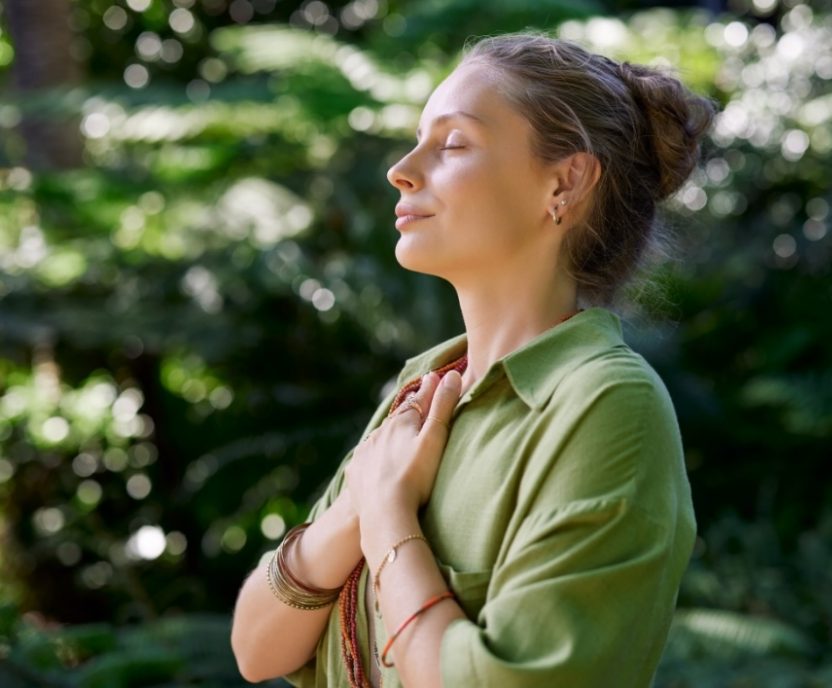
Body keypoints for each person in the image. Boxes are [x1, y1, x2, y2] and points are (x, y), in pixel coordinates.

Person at [231, 31, 716, 688]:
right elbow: (257, 649)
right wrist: (357, 511)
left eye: (453, 143)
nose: (400, 168)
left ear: (565, 182)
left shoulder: (605, 403)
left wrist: (388, 524)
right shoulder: (421, 391)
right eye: (418, 139)